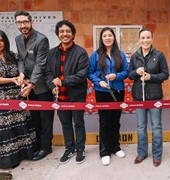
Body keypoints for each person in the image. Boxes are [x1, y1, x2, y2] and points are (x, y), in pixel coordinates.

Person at [0, 30, 36, 170]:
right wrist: (11, 79)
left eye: (1, 40)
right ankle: (5, 161)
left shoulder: (12, 56)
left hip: (15, 97)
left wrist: (24, 79)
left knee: (18, 125)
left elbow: (21, 69)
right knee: (2, 128)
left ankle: (21, 155)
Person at [45, 20, 89, 164]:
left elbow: (82, 75)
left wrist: (63, 82)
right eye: (62, 31)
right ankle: (69, 148)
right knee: (65, 124)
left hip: (76, 96)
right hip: (60, 96)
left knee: (78, 123)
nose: (65, 34)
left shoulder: (81, 52)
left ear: (73, 34)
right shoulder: (51, 53)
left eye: (68, 31)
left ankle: (80, 148)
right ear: (58, 34)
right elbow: (48, 73)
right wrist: (52, 86)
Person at [14, 10, 54, 161]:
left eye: (25, 22)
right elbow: (20, 60)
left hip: (42, 85)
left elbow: (40, 64)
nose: (22, 25)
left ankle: (46, 147)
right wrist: (22, 74)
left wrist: (31, 84)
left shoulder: (41, 39)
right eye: (19, 22)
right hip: (27, 85)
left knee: (46, 118)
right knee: (35, 117)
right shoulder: (18, 39)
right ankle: (38, 144)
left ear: (32, 22)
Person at [128, 28, 169, 167]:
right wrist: (136, 72)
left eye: (148, 38)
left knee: (156, 126)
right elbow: (129, 75)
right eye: (143, 38)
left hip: (155, 96)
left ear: (152, 39)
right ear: (139, 40)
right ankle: (142, 153)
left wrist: (151, 77)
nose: (145, 40)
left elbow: (165, 74)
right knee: (141, 126)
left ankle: (157, 155)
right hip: (139, 96)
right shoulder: (134, 56)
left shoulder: (159, 55)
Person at [88, 27, 129, 166]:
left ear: (114, 37)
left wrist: (116, 76)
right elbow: (90, 73)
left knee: (115, 120)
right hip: (102, 91)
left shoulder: (121, 54)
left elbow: (126, 71)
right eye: (104, 35)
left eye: (110, 35)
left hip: (118, 90)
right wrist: (98, 81)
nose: (107, 38)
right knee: (105, 122)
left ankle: (115, 147)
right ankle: (104, 151)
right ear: (101, 38)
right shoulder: (95, 55)